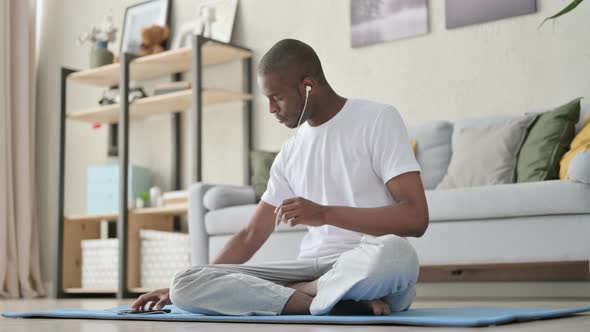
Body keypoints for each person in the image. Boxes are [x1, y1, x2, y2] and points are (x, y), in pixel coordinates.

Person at [132, 38, 429, 316]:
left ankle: (301, 295)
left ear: (308, 86)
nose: (272, 109)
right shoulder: (290, 152)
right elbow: (250, 235)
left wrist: (324, 214)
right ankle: (326, 300)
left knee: (398, 256)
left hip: (364, 262)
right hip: (306, 269)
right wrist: (181, 288)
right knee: (186, 281)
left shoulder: (377, 119)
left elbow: (415, 217)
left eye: (277, 98)